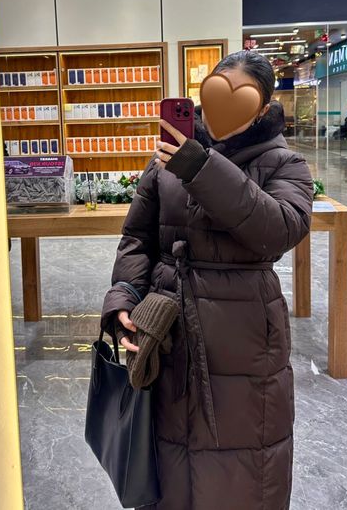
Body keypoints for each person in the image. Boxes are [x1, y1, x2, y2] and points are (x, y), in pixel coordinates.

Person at [100, 51, 313, 510]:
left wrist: (200, 167)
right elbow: (137, 236)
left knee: (244, 463)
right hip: (167, 327)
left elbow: (279, 231)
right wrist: (124, 297)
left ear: (263, 108)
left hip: (244, 336)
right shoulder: (166, 157)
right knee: (169, 460)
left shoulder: (285, 163)